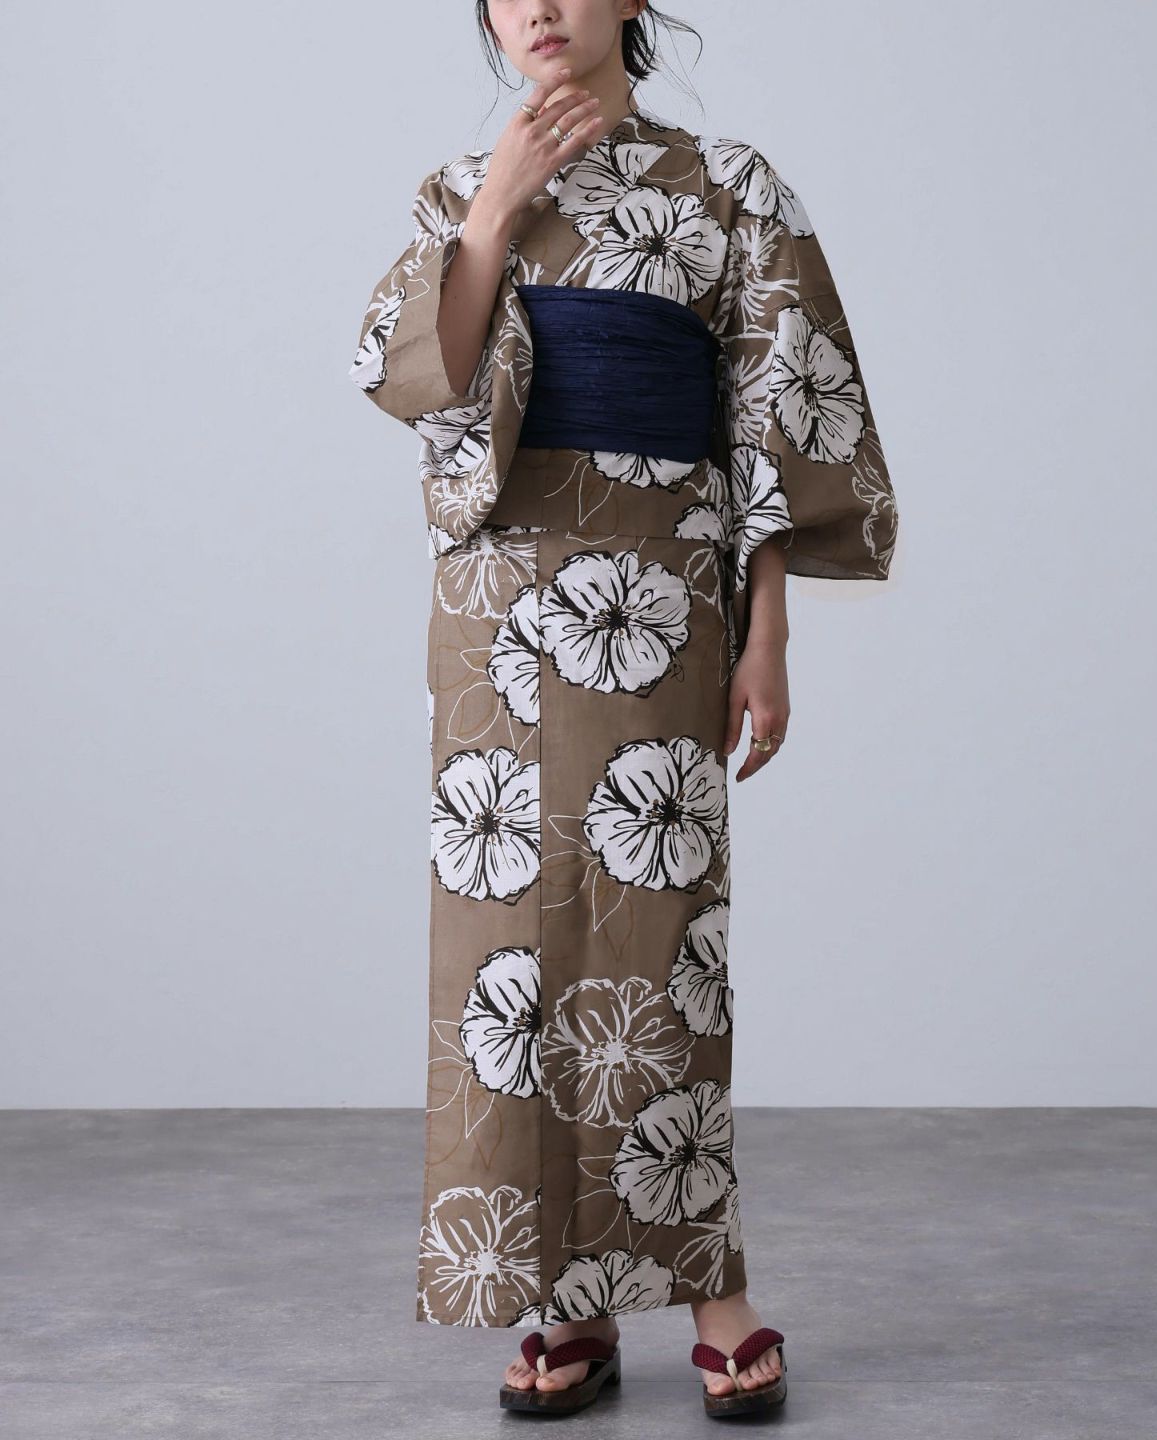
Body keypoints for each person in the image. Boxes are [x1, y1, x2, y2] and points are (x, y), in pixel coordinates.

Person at [349, 0, 899, 1418]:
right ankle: (564, 1300)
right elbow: (417, 386)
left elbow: (772, 421)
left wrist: (765, 634)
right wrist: (494, 212)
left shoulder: (728, 187)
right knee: (510, 964)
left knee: (662, 947)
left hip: (658, 599)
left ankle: (716, 1290)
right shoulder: (455, 189)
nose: (538, 7)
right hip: (497, 619)